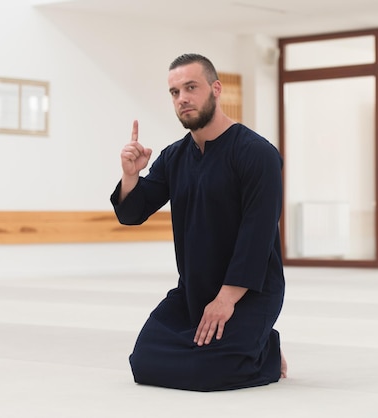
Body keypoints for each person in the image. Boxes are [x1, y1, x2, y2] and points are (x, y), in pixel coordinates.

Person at [110, 53, 287, 392]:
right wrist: (130, 175)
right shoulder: (174, 156)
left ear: (216, 89)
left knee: (210, 373)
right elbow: (133, 213)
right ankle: (253, 344)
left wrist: (226, 299)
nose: (183, 99)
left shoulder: (257, 153)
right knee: (144, 362)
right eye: (175, 92)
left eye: (191, 87)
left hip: (249, 291)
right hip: (193, 290)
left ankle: (266, 348)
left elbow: (257, 235)